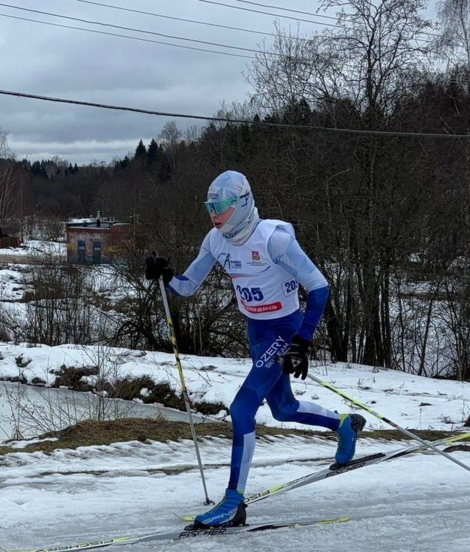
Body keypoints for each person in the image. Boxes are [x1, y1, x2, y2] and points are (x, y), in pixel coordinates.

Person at [146, 170, 365, 528]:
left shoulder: (273, 240)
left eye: (221, 206)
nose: (214, 214)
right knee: (283, 408)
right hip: (256, 331)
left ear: (243, 203)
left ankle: (233, 502)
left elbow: (319, 286)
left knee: (242, 408)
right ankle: (344, 425)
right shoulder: (216, 240)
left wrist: (302, 341)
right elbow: (187, 287)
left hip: (283, 329)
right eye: (210, 206)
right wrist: (166, 275)